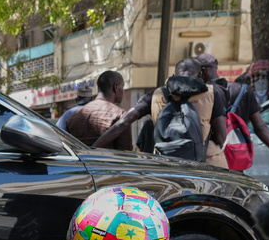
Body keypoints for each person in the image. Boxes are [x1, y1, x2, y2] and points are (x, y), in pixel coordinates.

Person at [93, 58, 227, 167]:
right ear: (200, 74)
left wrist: (92, 148)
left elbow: (123, 123)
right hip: (207, 166)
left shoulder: (156, 94)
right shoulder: (212, 93)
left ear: (174, 75)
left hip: (167, 166)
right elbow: (221, 138)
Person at [196, 53, 269, 178]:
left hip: (211, 160)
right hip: (237, 159)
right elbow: (260, 126)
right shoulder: (244, 90)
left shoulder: (202, 93)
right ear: (216, 68)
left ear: (202, 71)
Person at [66, 71, 130, 149]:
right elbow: (126, 152)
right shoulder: (120, 115)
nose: (123, 91)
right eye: (122, 87)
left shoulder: (74, 117)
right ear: (116, 87)